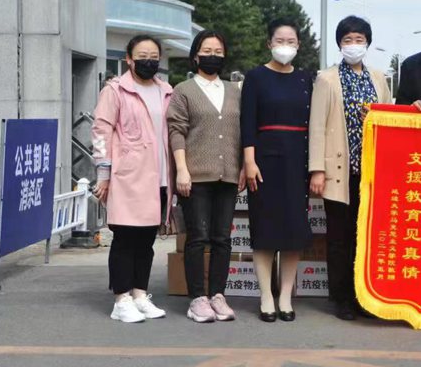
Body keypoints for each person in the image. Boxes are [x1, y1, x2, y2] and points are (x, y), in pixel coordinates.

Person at [309, 16, 393, 320]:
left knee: (365, 236)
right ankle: (341, 298)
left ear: (367, 43)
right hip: (338, 171)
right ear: (339, 44)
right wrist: (317, 169)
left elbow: (390, 119)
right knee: (339, 237)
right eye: (348, 40)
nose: (354, 45)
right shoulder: (327, 79)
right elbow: (317, 126)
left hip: (370, 172)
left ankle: (362, 297)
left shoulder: (379, 78)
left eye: (359, 39)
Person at [91, 35, 172, 323]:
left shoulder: (166, 91)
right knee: (125, 239)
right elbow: (101, 131)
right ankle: (121, 299)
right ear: (129, 59)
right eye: (142, 56)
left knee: (146, 240)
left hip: (159, 177)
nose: (148, 61)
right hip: (127, 177)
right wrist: (103, 174)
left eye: (154, 57)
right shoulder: (115, 91)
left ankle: (140, 294)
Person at [167, 30, 245, 323]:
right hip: (196, 175)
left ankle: (217, 295)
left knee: (222, 238)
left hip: (228, 175)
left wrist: (242, 167)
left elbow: (242, 131)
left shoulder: (235, 90)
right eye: (207, 51)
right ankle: (197, 298)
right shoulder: (184, 90)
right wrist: (182, 169)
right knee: (198, 237)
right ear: (196, 55)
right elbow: (177, 130)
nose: (213, 56)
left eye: (218, 51)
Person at [241, 19, 313, 322]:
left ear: (298, 45)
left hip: (298, 161)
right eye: (280, 40)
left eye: (291, 41)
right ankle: (266, 295)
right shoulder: (255, 77)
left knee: (294, 230)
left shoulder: (306, 79)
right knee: (266, 229)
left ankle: (285, 295)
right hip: (264, 162)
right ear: (269, 43)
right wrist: (249, 161)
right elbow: (247, 121)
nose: (285, 46)